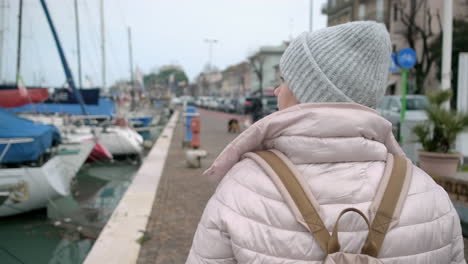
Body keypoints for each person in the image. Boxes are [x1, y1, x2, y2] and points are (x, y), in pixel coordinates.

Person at [186, 21, 465, 263]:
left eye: (284, 79)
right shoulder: (430, 196)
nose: (276, 89)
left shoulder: (242, 188)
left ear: (308, 90)